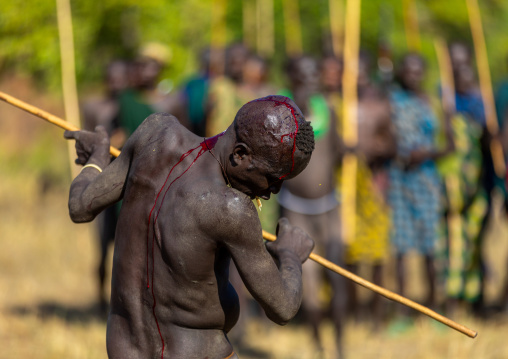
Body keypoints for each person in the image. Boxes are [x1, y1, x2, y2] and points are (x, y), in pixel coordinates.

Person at [64, 95, 315, 358]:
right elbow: (283, 308)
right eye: (273, 179)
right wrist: (289, 255)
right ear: (240, 155)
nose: (271, 192)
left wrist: (96, 160)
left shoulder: (154, 131)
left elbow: (81, 206)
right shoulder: (231, 208)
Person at [278, 55, 345, 357]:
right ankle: (319, 348)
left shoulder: (329, 108)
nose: (309, 81)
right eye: (302, 75)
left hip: (330, 209)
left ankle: (341, 348)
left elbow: (339, 149)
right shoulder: (281, 114)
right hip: (296, 209)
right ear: (291, 77)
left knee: (337, 275)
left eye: (313, 75)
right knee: (312, 285)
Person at [387, 53, 453, 319]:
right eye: (408, 70)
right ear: (401, 72)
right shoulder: (392, 100)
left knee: (430, 247)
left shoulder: (434, 102)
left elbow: (451, 145)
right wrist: (401, 155)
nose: (412, 76)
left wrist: (424, 154)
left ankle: (432, 308)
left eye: (417, 71)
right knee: (401, 248)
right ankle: (403, 311)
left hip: (427, 180)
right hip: (399, 179)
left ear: (423, 73)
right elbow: (385, 137)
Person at [81, 59, 129, 312]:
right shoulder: (94, 107)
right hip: (102, 184)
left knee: (127, 247)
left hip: (129, 186)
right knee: (102, 245)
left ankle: (122, 302)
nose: (116, 83)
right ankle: (99, 299)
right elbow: (85, 143)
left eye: (121, 78)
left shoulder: (134, 106)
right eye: (112, 78)